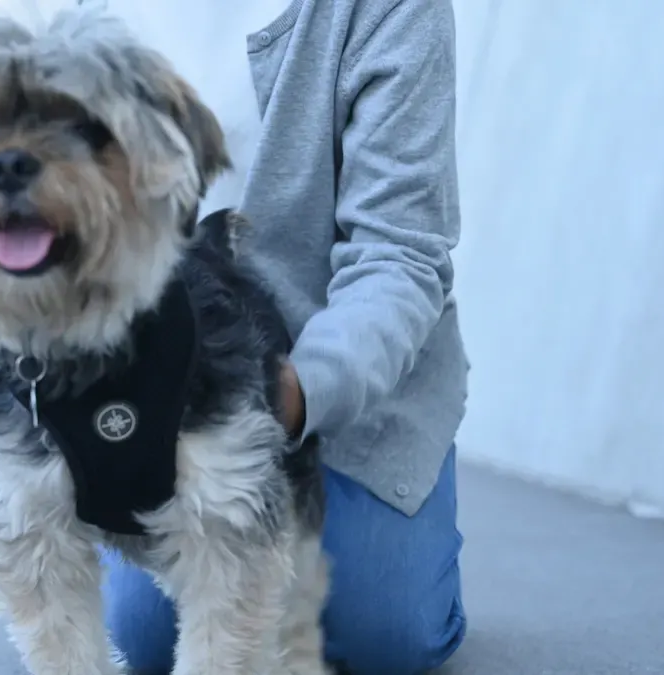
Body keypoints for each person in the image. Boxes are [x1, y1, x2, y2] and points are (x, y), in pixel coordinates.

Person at [92, 0, 469, 673]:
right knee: (149, 637)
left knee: (387, 633)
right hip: (154, 391)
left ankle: (415, 551)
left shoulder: (392, 10)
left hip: (350, 390)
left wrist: (286, 393)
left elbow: (400, 254)